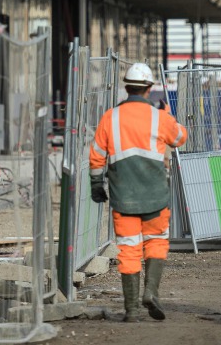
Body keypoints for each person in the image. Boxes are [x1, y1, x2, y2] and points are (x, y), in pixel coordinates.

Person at [89, 63, 187, 322]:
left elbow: (97, 153)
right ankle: (151, 292)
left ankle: (131, 310)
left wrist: (96, 184)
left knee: (129, 250)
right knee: (156, 242)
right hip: (156, 197)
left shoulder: (111, 117)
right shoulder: (159, 117)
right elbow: (180, 138)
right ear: (149, 88)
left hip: (124, 198)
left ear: (126, 87)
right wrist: (168, 115)